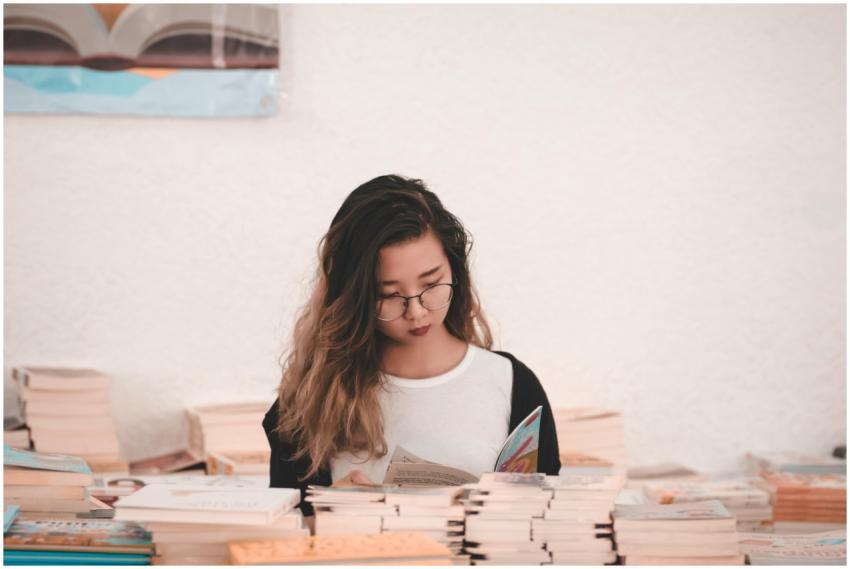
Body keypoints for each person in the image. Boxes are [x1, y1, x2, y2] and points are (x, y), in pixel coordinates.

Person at [263, 174, 560, 523]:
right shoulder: (310, 401)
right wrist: (330, 514)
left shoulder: (513, 385)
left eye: (431, 284)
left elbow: (547, 531)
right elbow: (282, 542)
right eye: (389, 295)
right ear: (353, 297)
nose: (416, 311)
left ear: (456, 269)